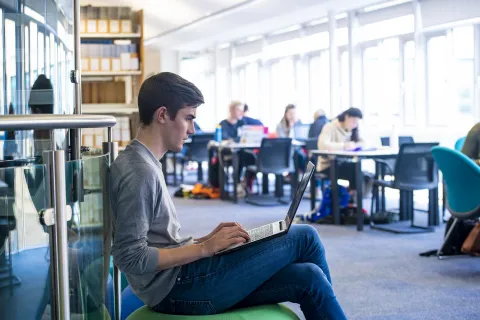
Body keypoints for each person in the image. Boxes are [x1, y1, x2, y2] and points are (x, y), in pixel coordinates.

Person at [110, 72, 347, 319]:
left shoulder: (142, 161)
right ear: (162, 115)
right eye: (188, 118)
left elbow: (158, 241)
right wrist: (204, 249)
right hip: (178, 288)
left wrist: (205, 240)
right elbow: (130, 257)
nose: (192, 129)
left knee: (309, 276)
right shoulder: (140, 172)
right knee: (305, 236)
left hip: (179, 279)